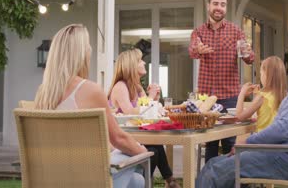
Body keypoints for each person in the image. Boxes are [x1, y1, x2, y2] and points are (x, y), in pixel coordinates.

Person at [196, 42, 288, 188]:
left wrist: (247, 142)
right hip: (285, 156)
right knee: (215, 163)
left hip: (281, 160)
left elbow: (281, 130)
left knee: (213, 169)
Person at [34, 24, 147, 188]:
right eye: (87, 46)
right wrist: (143, 152)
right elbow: (118, 138)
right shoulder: (89, 90)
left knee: (137, 181)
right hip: (85, 179)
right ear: (81, 53)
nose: (90, 50)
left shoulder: (43, 93)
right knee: (131, 155)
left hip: (51, 177)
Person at [189, 0, 255, 162]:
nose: (219, 8)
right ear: (208, 6)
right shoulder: (199, 32)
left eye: (223, 5)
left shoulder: (236, 31)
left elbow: (249, 59)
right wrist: (198, 50)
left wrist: (247, 52)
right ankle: (210, 180)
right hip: (206, 99)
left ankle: (228, 180)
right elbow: (192, 52)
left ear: (226, 8)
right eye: (216, 4)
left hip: (230, 96)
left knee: (229, 144)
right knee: (209, 143)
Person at [108, 49, 180, 188]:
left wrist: (155, 100)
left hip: (137, 134)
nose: (144, 62)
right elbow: (131, 112)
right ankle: (167, 181)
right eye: (140, 60)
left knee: (155, 147)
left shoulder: (137, 87)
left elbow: (146, 111)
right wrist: (150, 98)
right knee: (154, 150)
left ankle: (167, 181)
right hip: (122, 138)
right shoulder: (120, 86)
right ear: (132, 65)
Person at [235, 56, 287, 132]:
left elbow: (240, 117)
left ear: (267, 75)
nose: (261, 77)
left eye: (261, 73)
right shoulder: (286, 95)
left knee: (239, 143)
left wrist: (241, 93)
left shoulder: (262, 97)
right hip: (279, 139)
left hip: (263, 140)